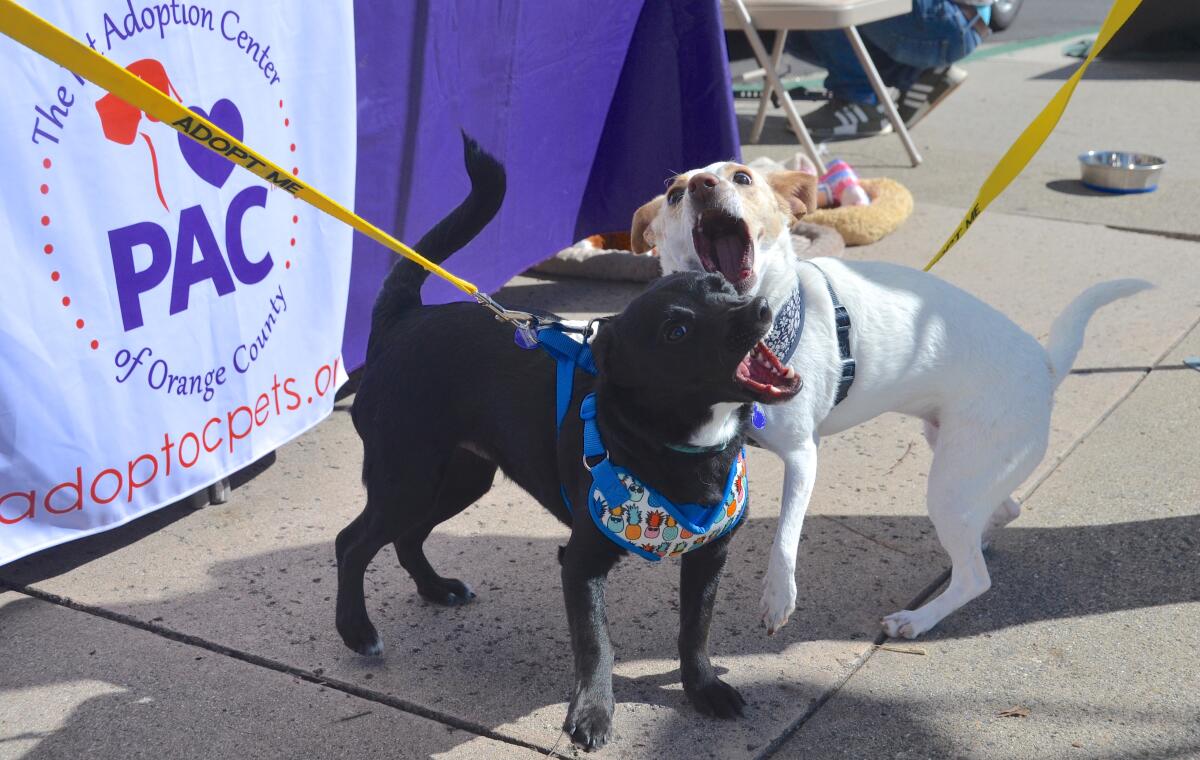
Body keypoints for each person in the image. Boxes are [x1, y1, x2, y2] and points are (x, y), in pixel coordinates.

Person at [789, 0, 992, 139]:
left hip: (951, 19)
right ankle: (913, 76)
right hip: (958, 21)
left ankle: (861, 101)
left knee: (819, 8)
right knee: (790, 24)